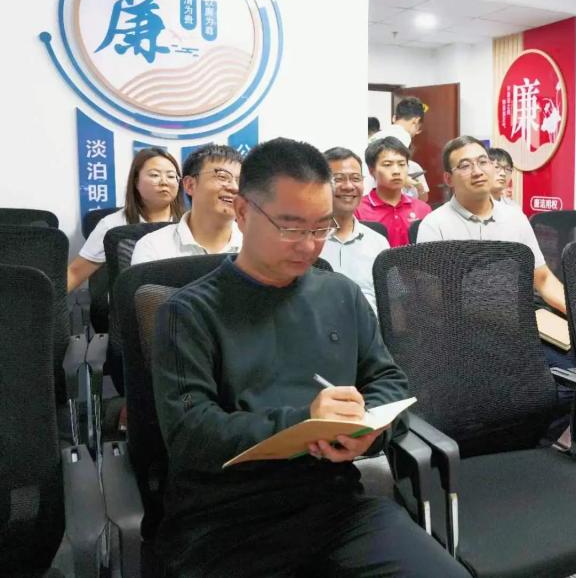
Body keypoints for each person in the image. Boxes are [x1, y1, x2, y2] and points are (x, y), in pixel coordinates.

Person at [151, 137, 467, 577]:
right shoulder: (188, 312)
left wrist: (368, 433)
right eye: (291, 228)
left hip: (336, 508)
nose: (309, 245)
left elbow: (389, 382)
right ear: (242, 212)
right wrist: (303, 423)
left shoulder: (339, 294)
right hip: (225, 523)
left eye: (321, 228)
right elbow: (190, 433)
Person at [416, 136, 565, 314]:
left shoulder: (515, 217)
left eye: (483, 162)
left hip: (514, 321)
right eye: (465, 166)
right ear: (448, 179)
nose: (477, 171)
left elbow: (543, 280)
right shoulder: (434, 225)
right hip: (458, 324)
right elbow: (431, 297)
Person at [66, 147, 186, 292]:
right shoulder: (112, 225)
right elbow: (75, 273)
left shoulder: (191, 222)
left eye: (171, 176)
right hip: (130, 303)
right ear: (136, 181)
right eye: (155, 175)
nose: (164, 182)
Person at [131, 144, 243, 265]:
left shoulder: (255, 245)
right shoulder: (153, 247)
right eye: (222, 177)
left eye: (240, 181)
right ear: (190, 185)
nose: (235, 188)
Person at [320, 146, 389, 313]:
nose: (348, 186)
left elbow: (395, 301)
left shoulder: (379, 242)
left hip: (371, 328)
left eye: (355, 178)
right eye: (338, 179)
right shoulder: (307, 240)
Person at [355, 137, 431, 247]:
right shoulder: (358, 210)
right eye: (387, 164)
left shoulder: (423, 209)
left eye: (401, 164)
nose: (396, 171)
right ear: (372, 171)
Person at [366, 97, 429, 201]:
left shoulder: (380, 135)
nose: (415, 133)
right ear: (416, 121)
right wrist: (406, 180)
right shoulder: (402, 135)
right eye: (418, 128)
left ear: (394, 118)